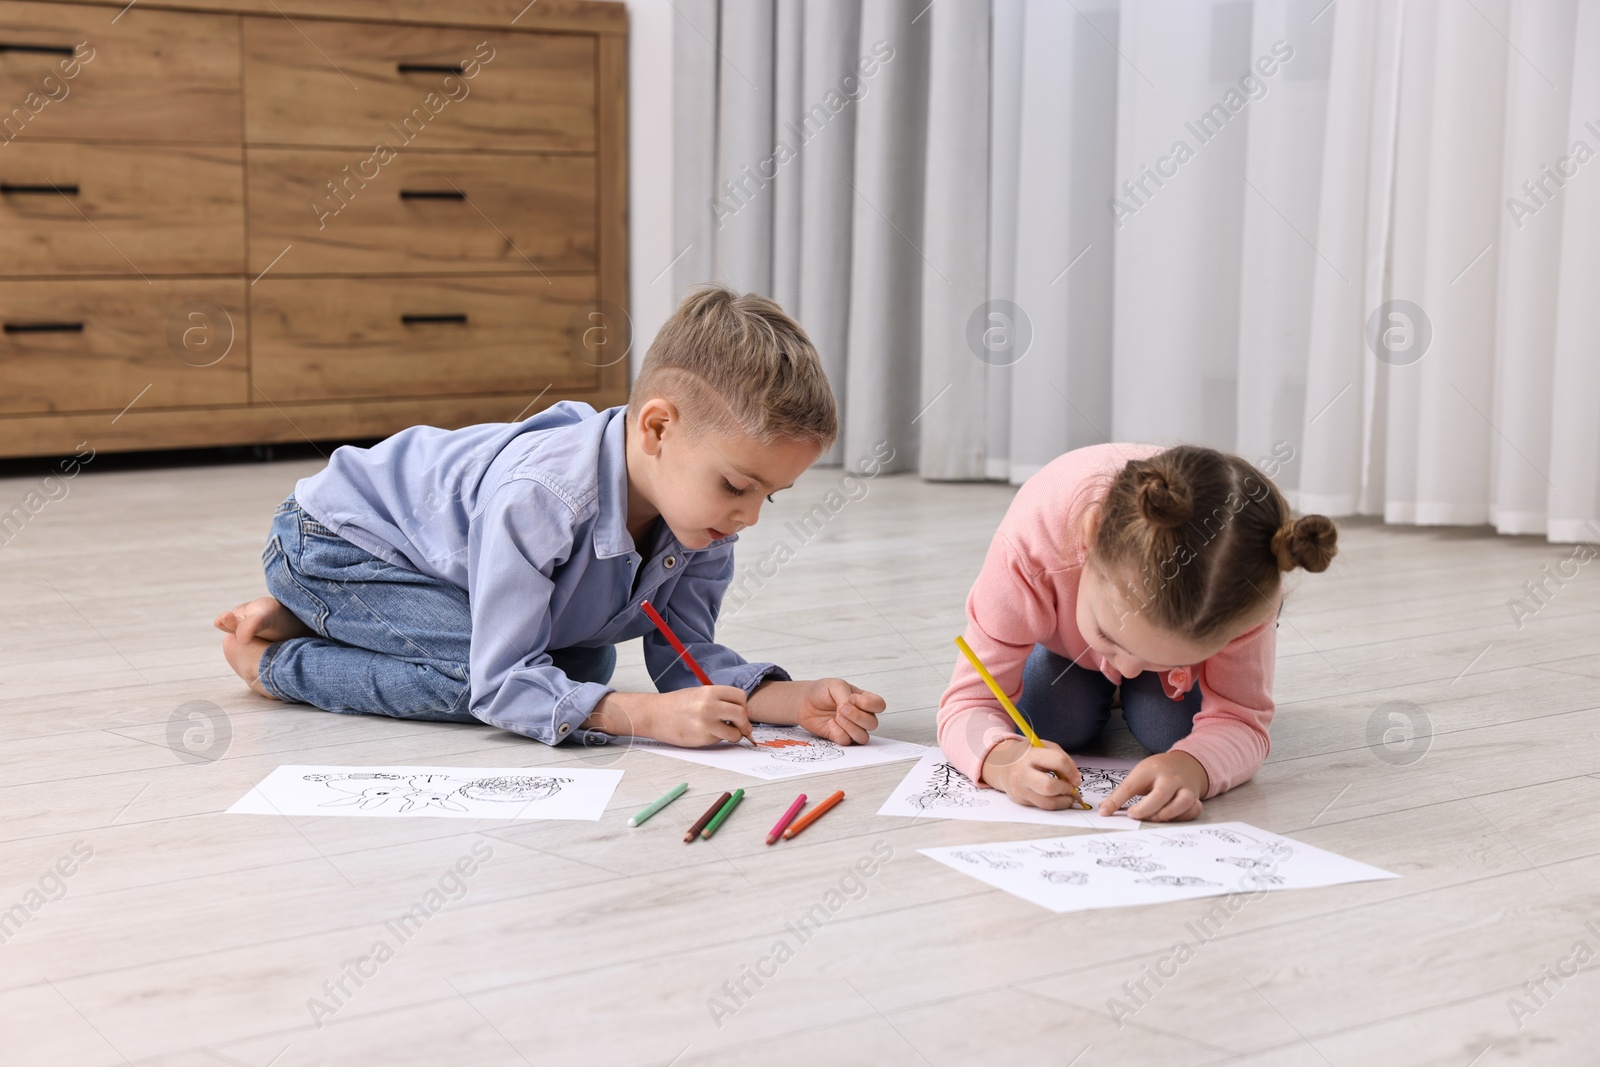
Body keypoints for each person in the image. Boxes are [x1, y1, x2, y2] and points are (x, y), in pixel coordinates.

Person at [216, 287, 885, 749]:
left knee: (584, 662)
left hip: (432, 567)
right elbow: (501, 683)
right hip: (334, 542)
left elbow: (685, 657)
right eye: (740, 485)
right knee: (480, 680)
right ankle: (274, 659)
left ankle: (343, 615)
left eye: (770, 495)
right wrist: (644, 717)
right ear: (657, 428)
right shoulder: (544, 498)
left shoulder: (705, 520)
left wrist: (794, 701)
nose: (751, 516)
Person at [938, 443, 1337, 822]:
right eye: (1110, 637)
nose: (1127, 670)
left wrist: (1193, 767)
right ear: (1091, 537)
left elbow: (1241, 720)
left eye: (1166, 659)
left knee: (1170, 731)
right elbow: (966, 704)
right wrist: (1002, 761)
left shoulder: (1242, 590)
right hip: (1066, 645)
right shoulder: (1030, 548)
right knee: (1050, 718)